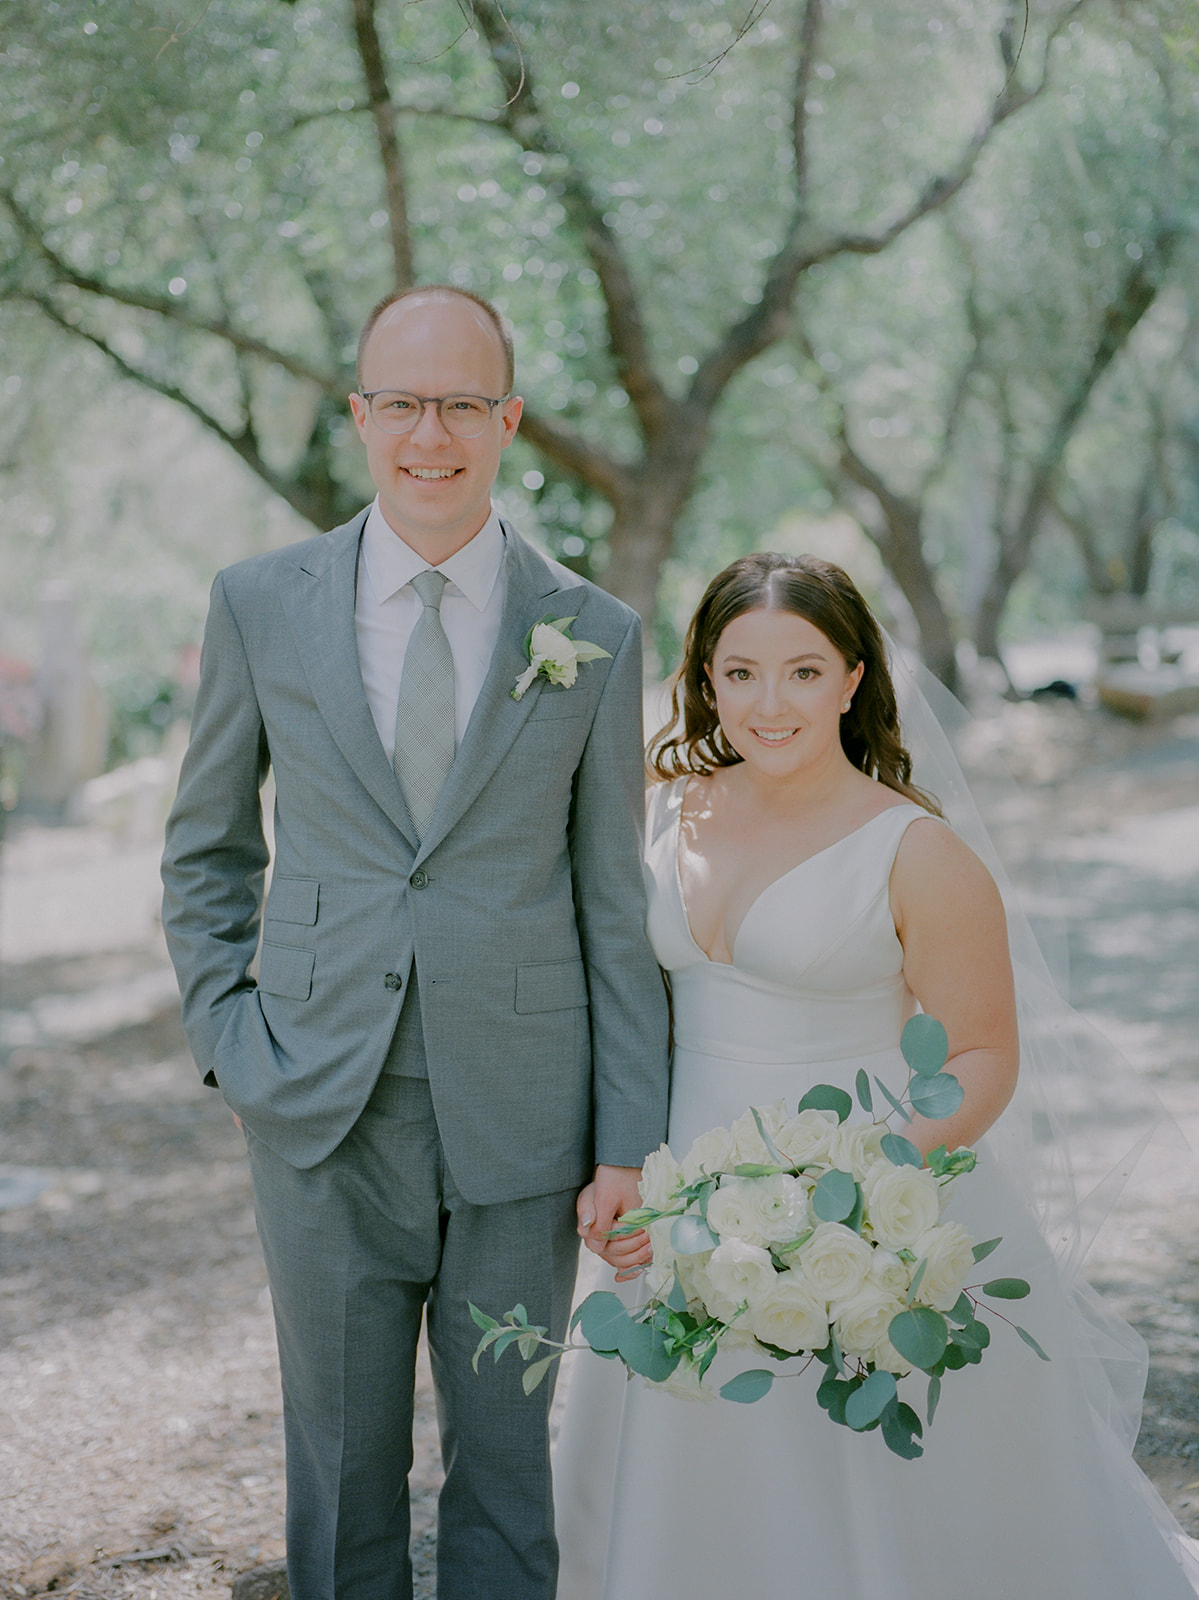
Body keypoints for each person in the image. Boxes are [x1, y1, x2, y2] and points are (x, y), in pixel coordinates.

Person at [553, 551, 1199, 1599]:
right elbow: (624, 1013)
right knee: (689, 1474)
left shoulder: (913, 848)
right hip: (683, 1206)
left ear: (853, 678)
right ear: (704, 680)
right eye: (741, 671)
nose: (771, 703)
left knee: (868, 1488)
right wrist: (618, 1160)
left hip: (861, 1209)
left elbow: (982, 1054)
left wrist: (852, 1195)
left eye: (803, 671)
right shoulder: (667, 810)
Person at [160, 285, 669, 1600]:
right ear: (358, 415)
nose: (426, 434)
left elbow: (613, 900)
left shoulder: (594, 634)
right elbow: (208, 848)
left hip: (521, 1125)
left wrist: (625, 1139)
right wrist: (232, 1044)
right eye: (399, 402)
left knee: (504, 1469)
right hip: (318, 1108)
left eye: (458, 404)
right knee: (340, 1469)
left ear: (506, 420)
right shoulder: (261, 604)